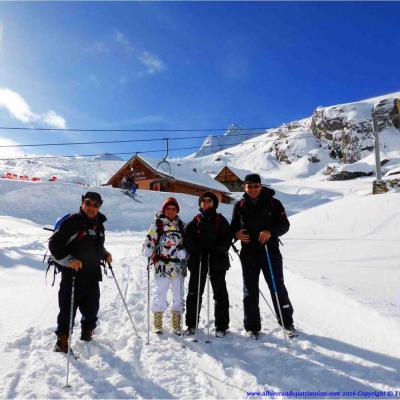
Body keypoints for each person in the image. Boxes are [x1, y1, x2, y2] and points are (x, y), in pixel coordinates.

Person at [230, 174, 297, 339]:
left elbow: (284, 225)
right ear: (244, 187)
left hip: (270, 251)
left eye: (256, 186)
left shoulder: (273, 203)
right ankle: (252, 327)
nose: (253, 189)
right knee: (250, 289)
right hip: (249, 253)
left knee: (276, 286)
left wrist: (270, 232)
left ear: (261, 186)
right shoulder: (239, 205)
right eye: (249, 186)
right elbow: (233, 227)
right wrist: (237, 234)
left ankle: (287, 323)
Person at [49, 192, 112, 352]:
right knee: (68, 309)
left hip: (92, 273)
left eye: (95, 205)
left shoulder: (99, 224)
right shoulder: (71, 222)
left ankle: (86, 333)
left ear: (99, 207)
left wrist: (104, 253)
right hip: (73, 275)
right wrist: (70, 260)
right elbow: (54, 245)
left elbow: (96, 245)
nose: (91, 207)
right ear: (82, 203)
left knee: (92, 308)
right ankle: (62, 341)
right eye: (88, 203)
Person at [184, 192, 231, 338]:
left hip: (216, 260)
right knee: (194, 293)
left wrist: (219, 248)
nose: (205, 203)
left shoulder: (220, 220)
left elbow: (227, 238)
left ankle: (221, 326)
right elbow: (187, 238)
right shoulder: (195, 220)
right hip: (198, 261)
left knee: (220, 293)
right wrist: (195, 248)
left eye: (209, 201)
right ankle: (191, 324)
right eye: (203, 201)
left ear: (214, 203)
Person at [143, 197, 186, 335]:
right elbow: (149, 240)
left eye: (173, 209)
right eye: (168, 209)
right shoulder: (157, 224)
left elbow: (187, 242)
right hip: (162, 264)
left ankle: (176, 323)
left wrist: (184, 252)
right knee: (160, 292)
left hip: (177, 264)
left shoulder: (181, 225)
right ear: (164, 210)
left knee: (178, 294)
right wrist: (148, 249)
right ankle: (157, 322)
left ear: (177, 210)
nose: (171, 211)